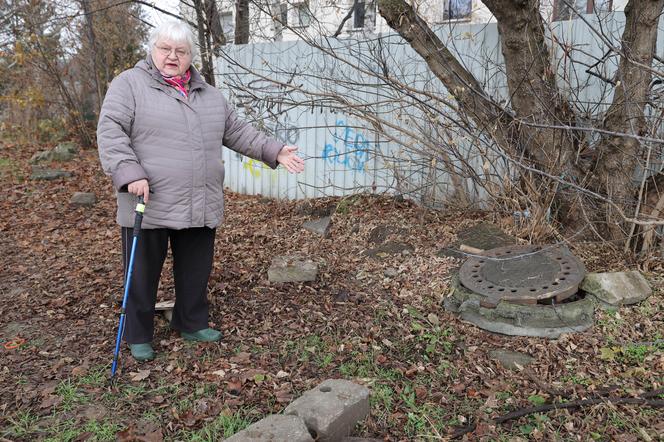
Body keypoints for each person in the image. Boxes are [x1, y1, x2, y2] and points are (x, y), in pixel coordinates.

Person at [97, 21, 305, 361]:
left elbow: (239, 132)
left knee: (196, 268)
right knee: (142, 272)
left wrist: (275, 150)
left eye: (181, 51)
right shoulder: (129, 85)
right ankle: (138, 334)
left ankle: (191, 321)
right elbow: (110, 130)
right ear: (153, 50)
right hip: (148, 199)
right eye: (165, 49)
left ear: (191, 56)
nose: (172, 57)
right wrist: (129, 172)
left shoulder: (209, 95)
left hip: (199, 198)